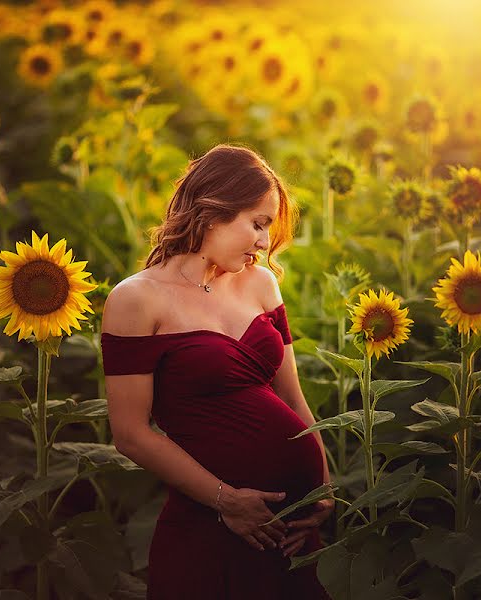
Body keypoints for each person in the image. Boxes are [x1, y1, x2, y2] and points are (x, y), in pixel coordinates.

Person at [100, 144, 334, 599]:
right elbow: (130, 434)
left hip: (294, 532)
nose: (265, 243)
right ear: (213, 211)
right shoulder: (136, 300)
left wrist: (322, 485)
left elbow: (292, 397)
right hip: (210, 526)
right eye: (258, 224)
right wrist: (228, 501)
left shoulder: (261, 284)